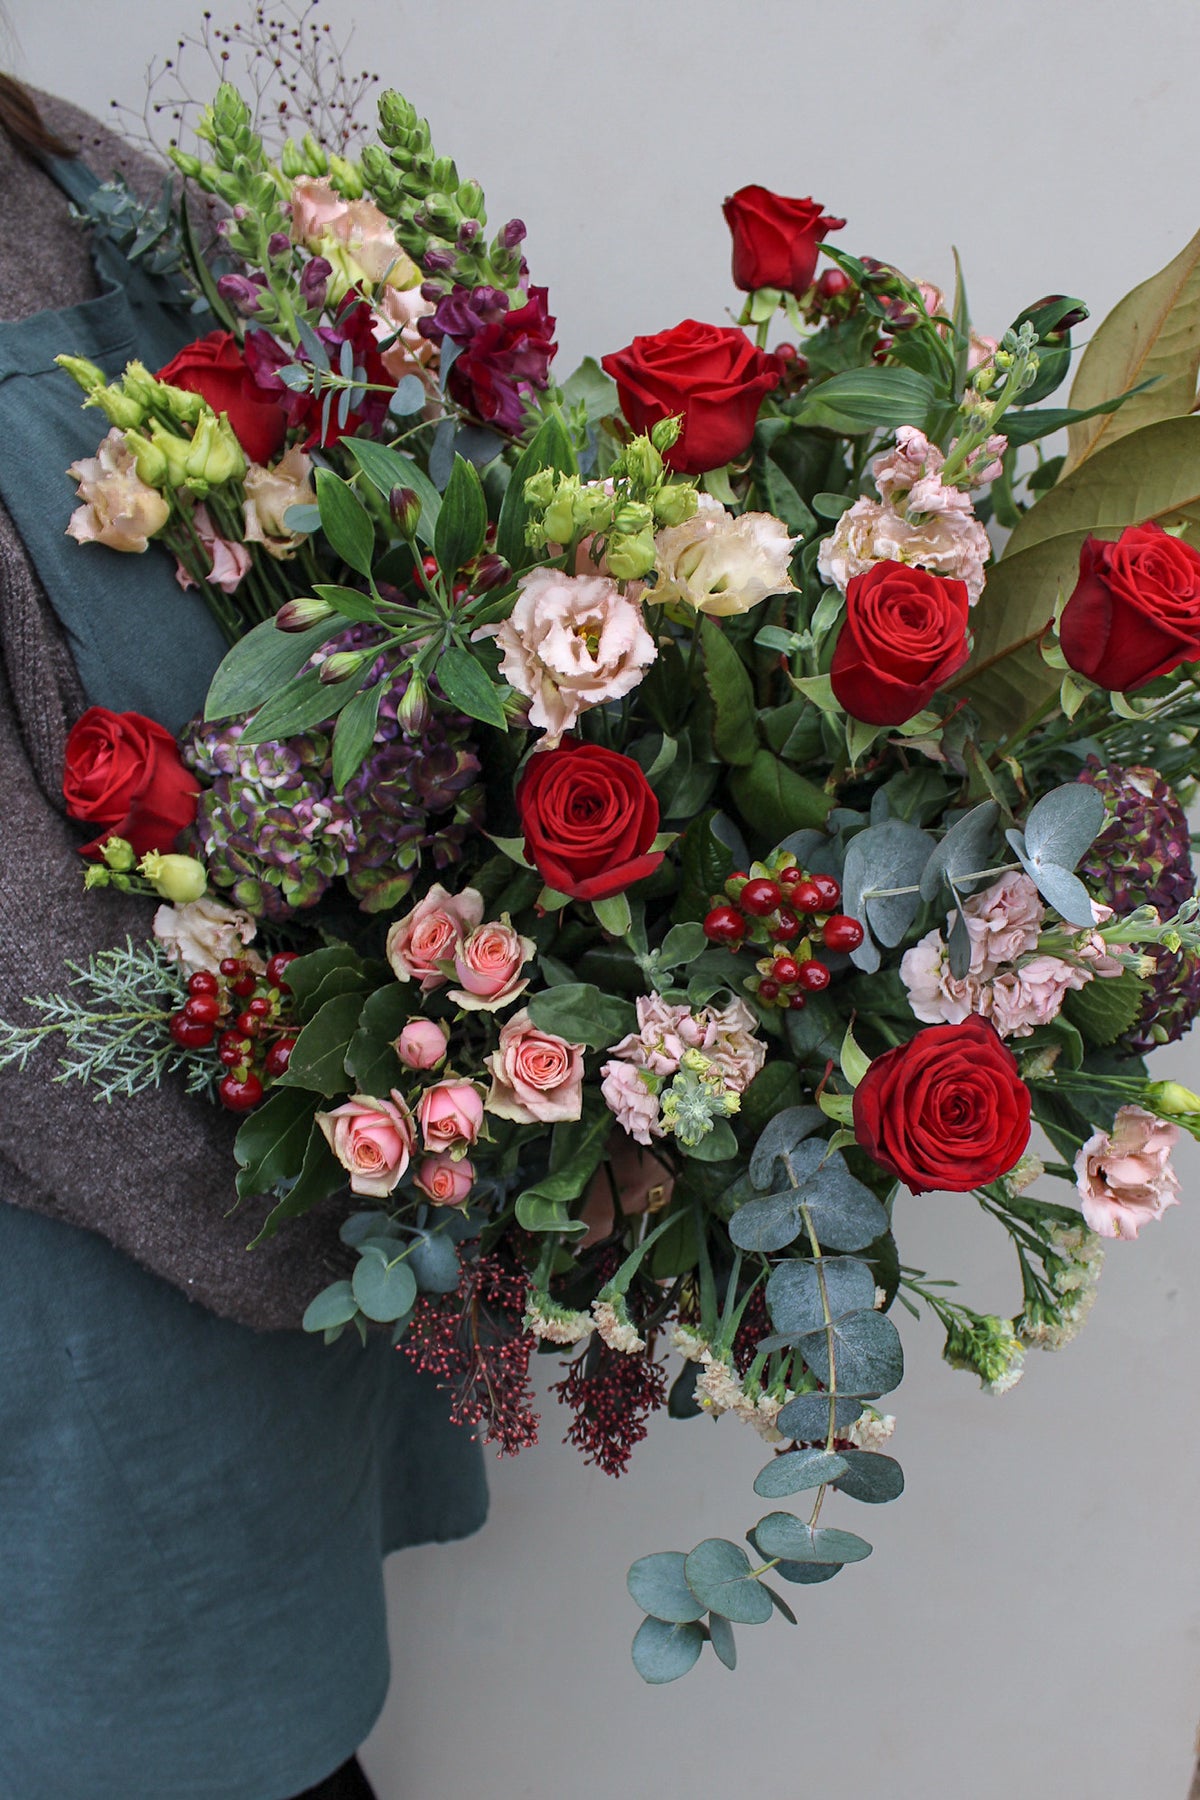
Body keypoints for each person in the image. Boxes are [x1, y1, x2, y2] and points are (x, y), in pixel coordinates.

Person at [0, 78, 487, 1800]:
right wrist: (346, 1239)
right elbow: (27, 1010)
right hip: (98, 1291)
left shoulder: (85, 172)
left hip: (280, 1210)